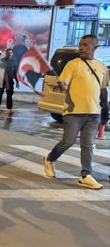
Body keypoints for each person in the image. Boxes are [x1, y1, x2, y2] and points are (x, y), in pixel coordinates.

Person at [42, 34, 108, 190]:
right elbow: (64, 82)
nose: (81, 48)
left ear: (95, 47)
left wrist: (105, 107)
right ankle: (50, 159)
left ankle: (86, 175)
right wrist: (62, 85)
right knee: (68, 141)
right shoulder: (72, 64)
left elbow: (103, 88)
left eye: (86, 45)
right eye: (80, 44)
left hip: (94, 112)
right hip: (73, 111)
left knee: (88, 144)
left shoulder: (101, 66)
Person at [4, 48, 18, 114]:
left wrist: (17, 81)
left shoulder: (14, 61)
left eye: (11, 52)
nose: (10, 53)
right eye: (8, 52)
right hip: (2, 80)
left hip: (10, 80)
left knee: (9, 94)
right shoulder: (3, 60)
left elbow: (15, 72)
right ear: (6, 53)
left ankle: (9, 107)